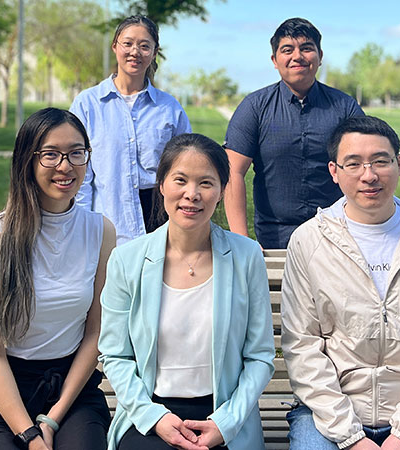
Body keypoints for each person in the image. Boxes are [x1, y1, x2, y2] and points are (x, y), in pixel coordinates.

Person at [280, 116, 400, 450]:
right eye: (354, 164)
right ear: (334, 172)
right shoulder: (309, 241)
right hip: (327, 415)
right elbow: (302, 346)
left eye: (381, 161)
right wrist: (351, 438)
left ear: (399, 164)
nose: (369, 175)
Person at [0, 108, 116, 450]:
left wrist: (53, 417)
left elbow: (95, 334)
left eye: (76, 152)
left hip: (68, 391)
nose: (65, 166)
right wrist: (29, 435)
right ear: (27, 160)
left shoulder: (100, 232)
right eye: (50, 154)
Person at [98, 133, 275, 450]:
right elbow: (116, 355)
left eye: (206, 183)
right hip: (151, 415)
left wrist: (225, 422)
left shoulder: (246, 257)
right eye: (180, 180)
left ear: (221, 191)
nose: (191, 194)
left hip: (223, 415)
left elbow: (260, 356)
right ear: (162, 184)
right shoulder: (127, 260)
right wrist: (153, 416)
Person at [223, 17, 364, 249]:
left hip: (337, 237)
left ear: (320, 56)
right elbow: (233, 173)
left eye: (307, 48)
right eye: (287, 50)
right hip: (274, 239)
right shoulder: (255, 107)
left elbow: (364, 164)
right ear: (274, 60)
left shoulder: (345, 107)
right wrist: (242, 241)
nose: (297, 56)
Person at [70, 14, 191, 245]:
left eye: (145, 46)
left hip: (160, 223)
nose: (135, 51)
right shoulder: (87, 104)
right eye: (128, 43)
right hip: (108, 224)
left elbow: (185, 167)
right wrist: (79, 223)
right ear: (115, 46)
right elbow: (80, 172)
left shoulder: (169, 108)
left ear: (154, 53)